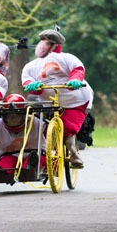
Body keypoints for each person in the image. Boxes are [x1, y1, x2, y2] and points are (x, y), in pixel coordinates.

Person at [21, 28, 92, 168]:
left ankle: (73, 152)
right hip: (48, 102)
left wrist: (74, 80)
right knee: (40, 130)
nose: (43, 46)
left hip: (74, 101)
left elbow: (78, 70)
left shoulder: (68, 58)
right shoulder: (30, 66)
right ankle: (45, 161)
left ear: (55, 45)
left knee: (68, 128)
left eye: (48, 43)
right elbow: (26, 80)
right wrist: (32, 86)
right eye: (42, 42)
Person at [0, 94, 46, 182]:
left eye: (16, 117)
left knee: (32, 162)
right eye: (9, 117)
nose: (13, 120)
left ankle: (29, 170)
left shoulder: (37, 122)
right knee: (4, 164)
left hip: (35, 155)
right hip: (8, 156)